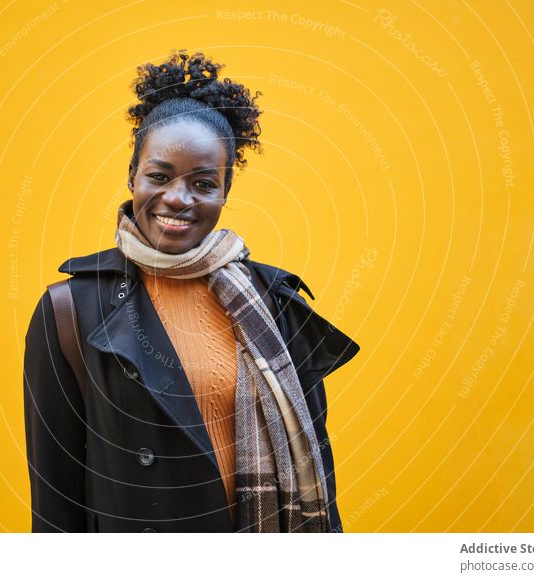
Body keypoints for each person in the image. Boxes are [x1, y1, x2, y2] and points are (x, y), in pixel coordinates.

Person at [23, 49, 360, 533]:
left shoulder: (274, 302)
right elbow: (54, 501)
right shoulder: (69, 311)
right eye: (159, 176)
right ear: (132, 176)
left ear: (225, 191)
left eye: (203, 183)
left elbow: (316, 471)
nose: (178, 199)